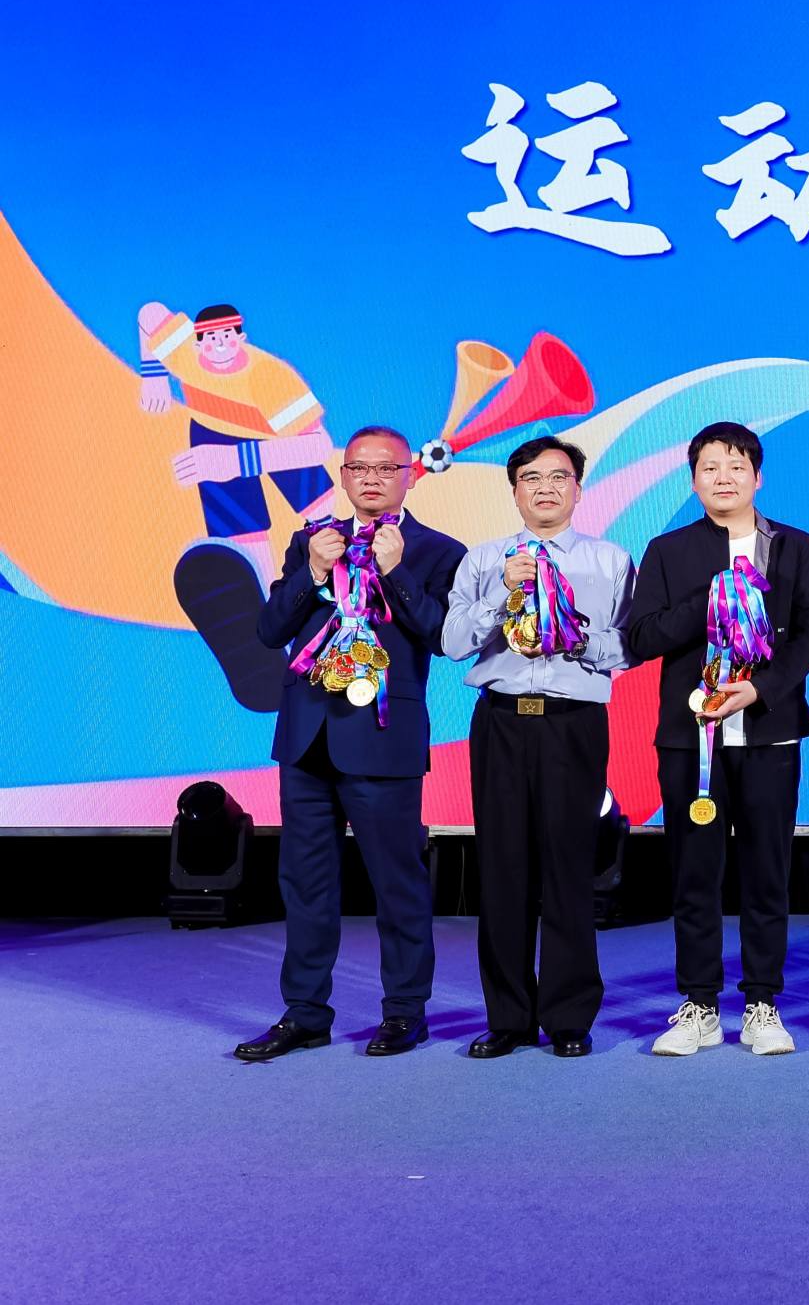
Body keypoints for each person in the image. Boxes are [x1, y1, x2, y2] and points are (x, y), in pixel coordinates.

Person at [234, 427, 466, 1061]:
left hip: (384, 737)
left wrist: (395, 572)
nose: (371, 479)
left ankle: (405, 1012)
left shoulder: (438, 551)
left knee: (397, 882)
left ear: (409, 476)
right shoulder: (311, 541)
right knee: (305, 882)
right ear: (343, 475)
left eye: (385, 468)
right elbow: (269, 629)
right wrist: (312, 569)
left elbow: (442, 636)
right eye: (359, 468)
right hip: (306, 737)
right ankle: (305, 1013)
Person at [627, 422, 809, 1057]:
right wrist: (711, 599)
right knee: (695, 873)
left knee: (768, 872)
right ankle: (699, 1004)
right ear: (694, 481)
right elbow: (642, 637)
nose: (724, 477)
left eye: (736, 466)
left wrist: (761, 689)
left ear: (758, 477)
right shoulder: (668, 550)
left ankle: (763, 1002)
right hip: (691, 738)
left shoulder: (794, 546)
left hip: (769, 732)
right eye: (710, 467)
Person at [441, 435, 635, 1059]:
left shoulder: (610, 560)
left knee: (570, 869)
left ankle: (569, 1016)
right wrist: (504, 592)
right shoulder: (483, 559)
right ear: (514, 490)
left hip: (573, 722)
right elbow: (452, 642)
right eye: (531, 478)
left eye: (558, 477)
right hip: (501, 722)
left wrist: (576, 636)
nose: (545, 488)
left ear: (578, 488)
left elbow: (629, 646)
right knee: (502, 870)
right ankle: (509, 1018)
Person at [136, 300, 336, 712]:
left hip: (280, 440)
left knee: (314, 503)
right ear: (198, 343)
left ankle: (336, 592)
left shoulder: (270, 377)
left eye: (227, 337)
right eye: (211, 339)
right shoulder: (184, 356)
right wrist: (152, 375)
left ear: (240, 337)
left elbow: (318, 445)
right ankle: (266, 617)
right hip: (215, 431)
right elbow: (149, 314)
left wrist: (234, 461)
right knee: (240, 529)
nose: (220, 346)